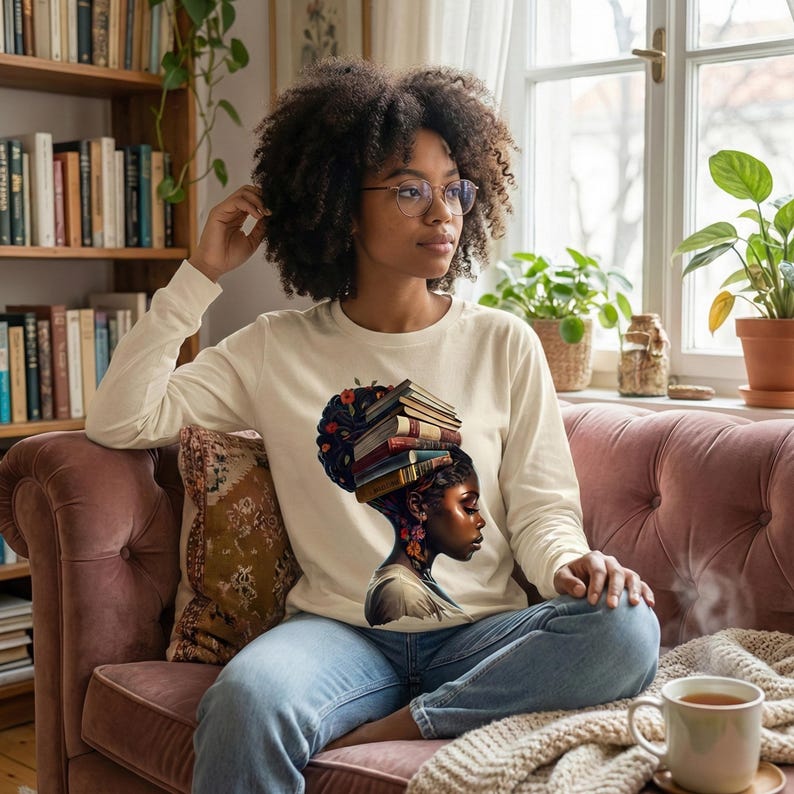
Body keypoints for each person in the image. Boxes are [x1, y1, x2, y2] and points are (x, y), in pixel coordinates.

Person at [85, 56, 660, 793]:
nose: (443, 212)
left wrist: (566, 567)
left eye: (455, 189)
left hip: (483, 638)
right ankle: (416, 711)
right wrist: (200, 275)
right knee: (245, 700)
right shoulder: (274, 349)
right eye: (411, 190)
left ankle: (409, 721)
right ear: (340, 205)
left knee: (626, 628)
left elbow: (545, 508)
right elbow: (122, 417)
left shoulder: (504, 341)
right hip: (339, 638)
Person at [317, 384, 484, 627]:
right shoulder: (400, 595)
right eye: (468, 507)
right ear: (417, 505)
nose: (481, 520)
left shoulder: (417, 582)